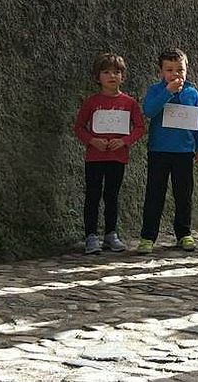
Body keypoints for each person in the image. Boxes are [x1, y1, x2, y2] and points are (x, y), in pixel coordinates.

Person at [73, 53, 145, 254]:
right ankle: (90, 236)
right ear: (98, 77)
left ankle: (111, 234)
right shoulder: (91, 102)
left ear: (123, 76)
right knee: (92, 195)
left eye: (117, 72)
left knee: (112, 195)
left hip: (117, 157)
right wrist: (92, 140)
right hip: (94, 157)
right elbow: (79, 127)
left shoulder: (129, 102)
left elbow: (139, 127)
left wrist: (124, 141)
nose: (112, 76)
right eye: (106, 72)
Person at [138, 48, 198, 254]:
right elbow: (149, 111)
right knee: (155, 194)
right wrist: (167, 91)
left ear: (186, 70)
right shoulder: (155, 90)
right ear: (161, 72)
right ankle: (148, 236)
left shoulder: (193, 93)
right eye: (169, 70)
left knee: (184, 195)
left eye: (180, 69)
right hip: (159, 151)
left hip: (184, 152)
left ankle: (184, 233)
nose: (175, 74)